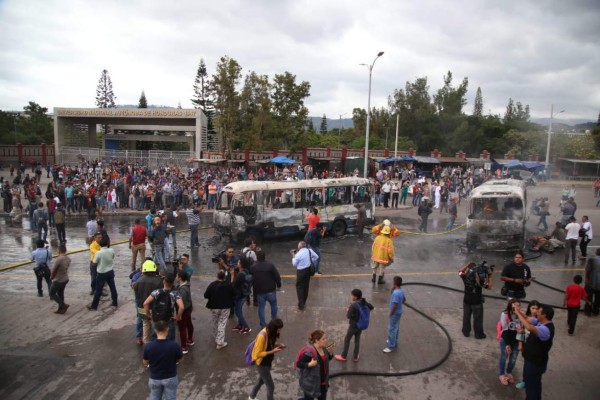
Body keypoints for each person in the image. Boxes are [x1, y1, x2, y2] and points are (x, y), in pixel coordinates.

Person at [514, 303, 555, 400]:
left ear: (544, 315)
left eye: (539, 311)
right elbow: (528, 319)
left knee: (532, 387)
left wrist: (517, 313)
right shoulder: (541, 322)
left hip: (535, 363)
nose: (536, 312)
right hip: (531, 360)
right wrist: (518, 311)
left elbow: (529, 327)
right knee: (532, 384)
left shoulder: (545, 329)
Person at [142, 320, 183, 400]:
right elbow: (180, 360)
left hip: (154, 378)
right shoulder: (174, 345)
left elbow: (145, 362)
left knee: (155, 397)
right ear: (167, 329)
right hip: (170, 377)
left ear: (155, 330)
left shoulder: (148, 346)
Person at [248, 318, 285, 400]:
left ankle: (251, 397)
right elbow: (257, 354)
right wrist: (272, 352)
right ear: (274, 328)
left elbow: (270, 343)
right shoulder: (262, 336)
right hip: (262, 364)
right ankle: (251, 396)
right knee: (271, 386)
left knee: (261, 380)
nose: (279, 331)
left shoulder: (271, 333)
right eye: (278, 330)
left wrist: (277, 345)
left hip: (268, 362)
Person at [335, 289, 374, 362]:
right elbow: (372, 307)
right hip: (360, 325)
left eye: (352, 295)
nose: (351, 296)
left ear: (355, 297)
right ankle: (355, 357)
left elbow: (348, 316)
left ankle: (343, 356)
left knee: (347, 340)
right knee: (357, 340)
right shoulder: (363, 302)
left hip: (353, 326)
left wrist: (348, 310)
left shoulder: (353, 305)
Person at [144, 272, 184, 342]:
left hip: (156, 319)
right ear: (172, 283)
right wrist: (178, 317)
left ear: (164, 281)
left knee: (155, 338)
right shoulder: (175, 293)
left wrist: (149, 315)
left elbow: (145, 304)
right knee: (170, 339)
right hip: (168, 319)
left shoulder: (156, 292)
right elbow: (181, 307)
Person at [296, 330, 334, 400]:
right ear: (317, 340)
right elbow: (299, 364)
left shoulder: (324, 349)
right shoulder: (310, 352)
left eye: (325, 338)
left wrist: (331, 353)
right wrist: (309, 364)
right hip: (311, 384)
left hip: (323, 384)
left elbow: (326, 360)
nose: (326, 340)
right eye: (323, 339)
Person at [459, 261, 492, 339]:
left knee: (466, 317)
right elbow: (489, 287)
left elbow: (460, 272)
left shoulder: (465, 278)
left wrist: (467, 265)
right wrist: (489, 276)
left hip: (466, 301)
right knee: (478, 319)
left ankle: (465, 332)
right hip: (477, 302)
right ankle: (478, 334)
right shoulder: (480, 281)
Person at [203, 270, 236, 349]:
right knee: (222, 323)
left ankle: (216, 337)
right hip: (225, 307)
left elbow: (206, 295)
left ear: (217, 276)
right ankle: (220, 342)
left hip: (214, 307)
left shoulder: (212, 285)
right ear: (224, 277)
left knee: (215, 322)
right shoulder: (228, 285)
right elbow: (234, 293)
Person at [133, 258, 163, 345]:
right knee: (155, 325)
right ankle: (157, 343)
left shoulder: (137, 282)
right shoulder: (158, 281)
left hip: (141, 308)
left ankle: (146, 342)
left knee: (145, 324)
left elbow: (137, 296)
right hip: (154, 309)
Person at [251, 250, 282, 327]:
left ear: (257, 258)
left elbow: (251, 279)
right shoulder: (270, 266)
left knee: (261, 308)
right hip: (271, 290)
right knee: (274, 305)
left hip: (260, 291)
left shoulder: (253, 267)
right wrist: (279, 285)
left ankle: (263, 325)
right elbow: (277, 276)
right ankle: (274, 322)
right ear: (265, 257)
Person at [87, 237, 118, 310]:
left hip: (102, 273)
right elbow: (112, 257)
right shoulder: (111, 250)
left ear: (100, 245)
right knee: (112, 287)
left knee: (98, 290)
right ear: (107, 244)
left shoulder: (99, 253)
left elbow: (94, 263)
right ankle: (115, 302)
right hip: (110, 271)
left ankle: (94, 306)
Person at [498, 299, 522, 385]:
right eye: (515, 305)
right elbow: (505, 330)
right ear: (510, 306)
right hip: (506, 338)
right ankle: (501, 374)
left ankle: (509, 372)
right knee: (504, 357)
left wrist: (520, 342)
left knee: (513, 358)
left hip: (516, 339)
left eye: (518, 305)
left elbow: (521, 330)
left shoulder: (521, 315)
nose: (517, 307)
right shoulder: (505, 314)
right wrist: (507, 344)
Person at [292, 241, 319, 311]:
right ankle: (304, 301)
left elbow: (294, 264)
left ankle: (301, 305)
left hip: (301, 272)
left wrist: (293, 256)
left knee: (299, 287)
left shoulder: (298, 254)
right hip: (308, 271)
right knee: (306, 286)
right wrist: (310, 261)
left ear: (300, 247)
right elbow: (316, 257)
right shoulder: (309, 250)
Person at [383, 276, 405, 353]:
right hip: (399, 312)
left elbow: (395, 305)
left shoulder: (396, 293)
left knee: (391, 329)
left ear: (394, 283)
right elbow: (404, 300)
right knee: (396, 327)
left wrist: (391, 313)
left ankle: (391, 346)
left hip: (395, 313)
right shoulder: (401, 290)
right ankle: (394, 340)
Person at [232, 257, 253, 334]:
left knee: (238, 312)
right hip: (244, 294)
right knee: (238, 310)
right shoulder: (247, 272)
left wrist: (232, 275)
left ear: (241, 265)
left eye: (238, 262)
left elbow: (234, 285)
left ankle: (246, 327)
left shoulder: (240, 275)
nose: (237, 263)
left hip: (239, 295)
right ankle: (240, 325)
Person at [176, 270, 194, 354]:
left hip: (184, 310)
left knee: (182, 328)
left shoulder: (182, 290)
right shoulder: (187, 285)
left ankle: (183, 347)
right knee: (189, 323)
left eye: (177, 276)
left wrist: (178, 315)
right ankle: (190, 339)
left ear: (179, 278)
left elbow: (181, 306)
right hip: (189, 308)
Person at [49, 245, 71, 314]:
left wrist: (51, 277)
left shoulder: (59, 259)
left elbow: (54, 270)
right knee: (60, 293)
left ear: (59, 251)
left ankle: (63, 305)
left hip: (58, 279)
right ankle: (61, 309)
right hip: (65, 278)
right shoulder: (68, 258)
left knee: (52, 293)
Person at [584, 248, 600, 316]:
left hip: (591, 282)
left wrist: (587, 279)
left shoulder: (592, 259)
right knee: (598, 298)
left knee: (588, 297)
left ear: (597, 252)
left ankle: (588, 311)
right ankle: (596, 311)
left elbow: (587, 270)